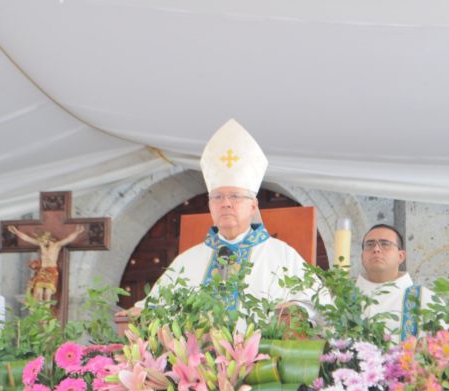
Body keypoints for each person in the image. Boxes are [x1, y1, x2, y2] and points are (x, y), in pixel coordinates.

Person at [116, 118, 324, 331]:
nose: (225, 203)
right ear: (210, 205)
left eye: (235, 196)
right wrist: (141, 311)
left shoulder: (282, 256)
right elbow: (155, 306)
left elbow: (320, 304)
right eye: (217, 197)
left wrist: (296, 307)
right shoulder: (187, 261)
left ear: (253, 206)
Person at [355, 224, 438, 342]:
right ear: (362, 257)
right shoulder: (345, 298)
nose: (376, 249)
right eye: (369, 245)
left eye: (385, 244)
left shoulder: (424, 299)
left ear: (401, 256)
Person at [7, 224, 85, 301]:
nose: (42, 242)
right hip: (42, 271)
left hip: (52, 270)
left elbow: (68, 239)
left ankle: (46, 311)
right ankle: (39, 311)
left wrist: (77, 232)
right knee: (39, 294)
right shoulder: (41, 245)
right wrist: (16, 232)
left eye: (43, 240)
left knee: (48, 294)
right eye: (41, 240)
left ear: (48, 238)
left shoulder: (57, 245)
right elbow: (27, 238)